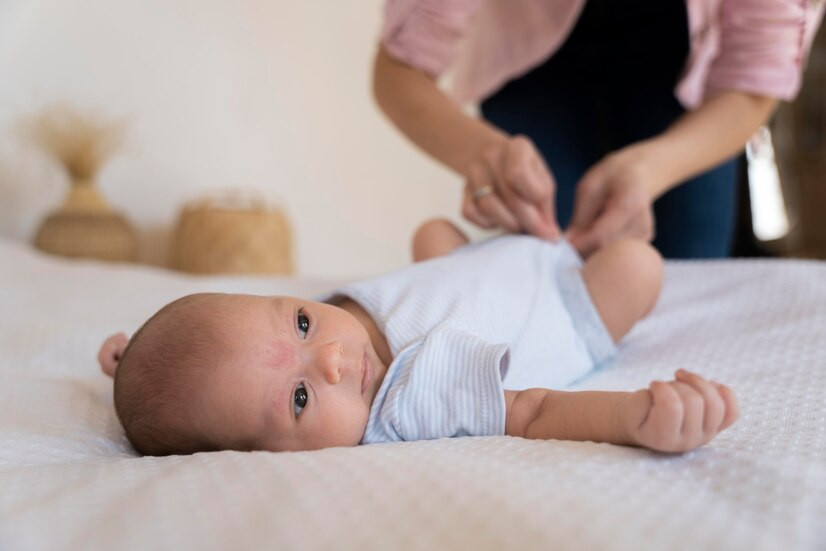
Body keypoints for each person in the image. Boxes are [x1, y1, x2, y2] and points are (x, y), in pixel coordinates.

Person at [98, 221, 738, 456]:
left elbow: (222, 361)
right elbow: (533, 411)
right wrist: (632, 418)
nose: (333, 358)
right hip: (561, 300)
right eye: (298, 399)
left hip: (476, 261)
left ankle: (526, 238)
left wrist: (141, 361)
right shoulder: (408, 398)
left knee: (433, 232)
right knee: (637, 263)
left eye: (300, 322)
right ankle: (589, 253)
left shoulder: (322, 330)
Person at [373, 0, 825, 258]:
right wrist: (482, 154)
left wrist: (649, 169)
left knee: (690, 261)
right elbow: (399, 70)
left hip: (682, 75)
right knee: (551, 258)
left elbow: (752, 81)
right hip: (532, 71)